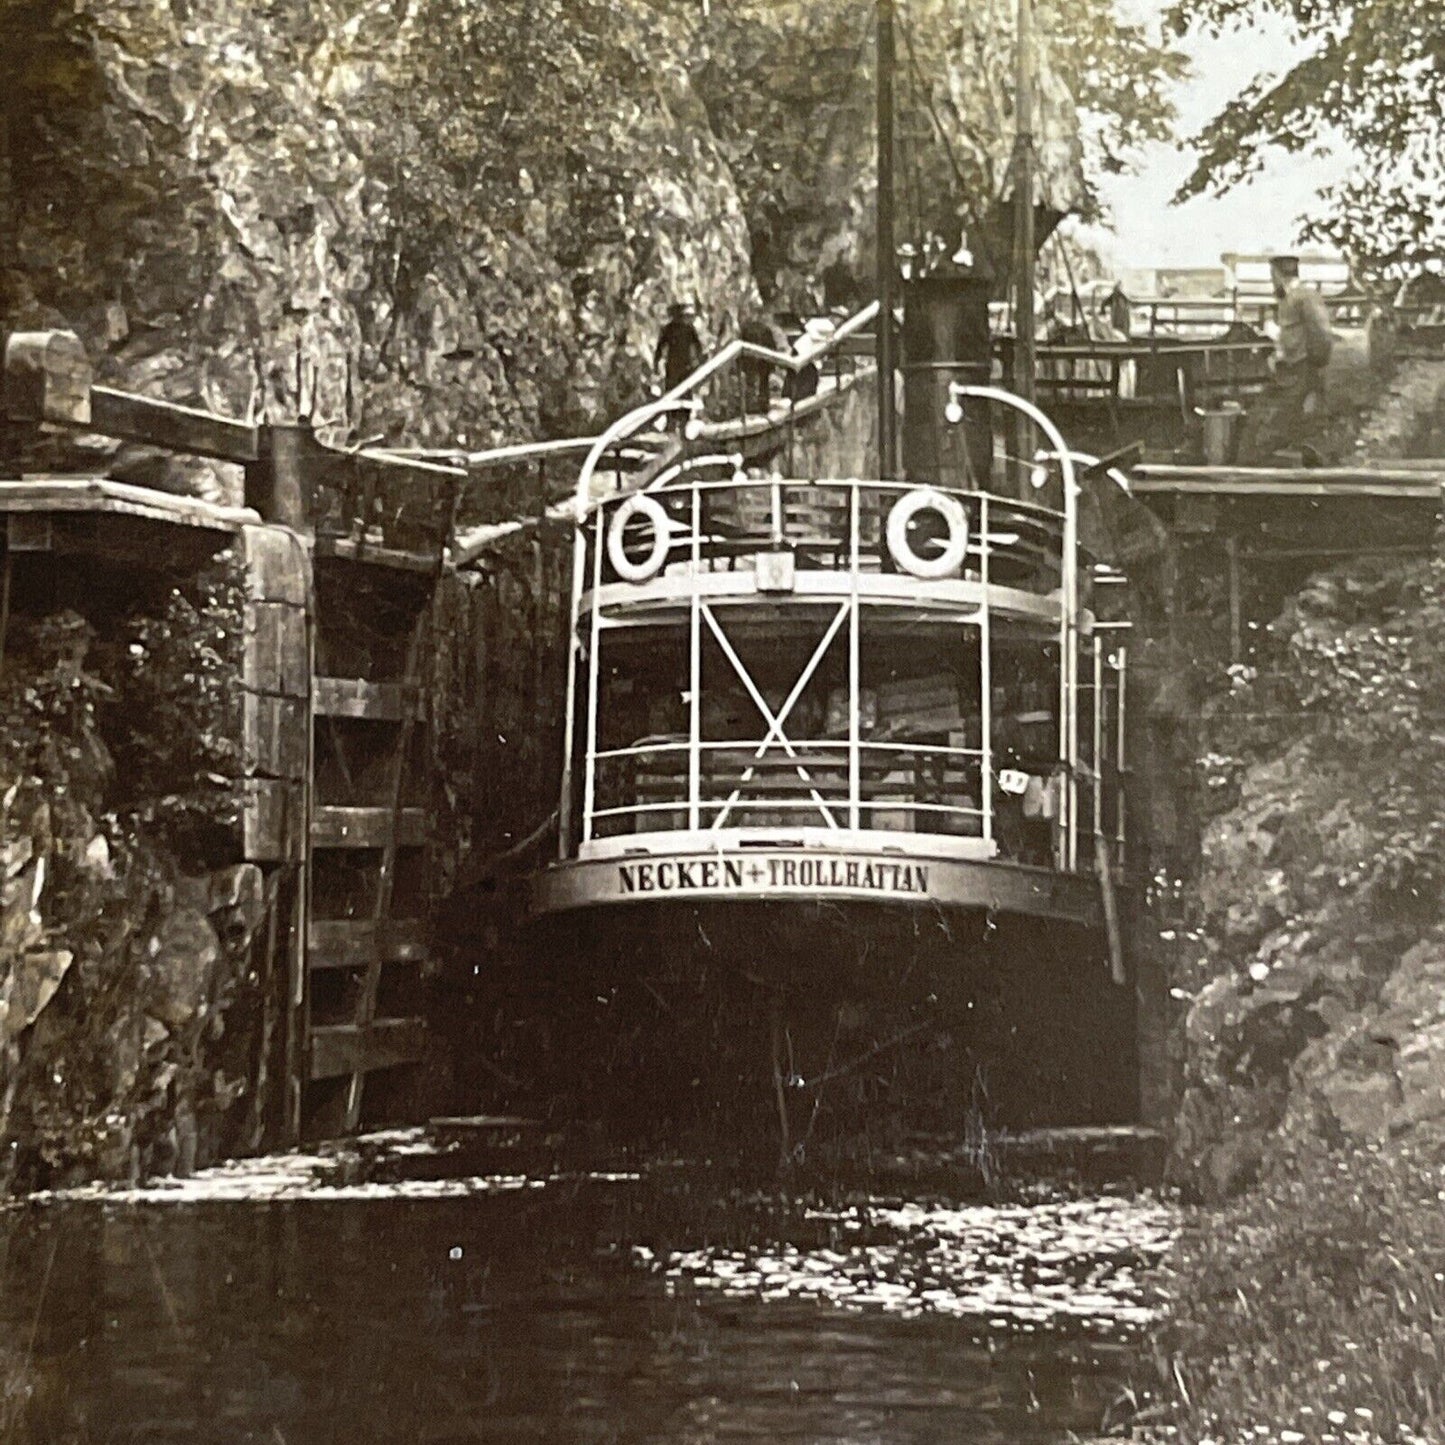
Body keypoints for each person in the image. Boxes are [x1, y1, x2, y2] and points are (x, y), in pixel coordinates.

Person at [1240, 255, 1334, 464]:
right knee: (1282, 421)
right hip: (1292, 369)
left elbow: (1321, 335)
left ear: (1277, 275)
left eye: (1272, 276)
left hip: (1301, 369)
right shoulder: (1292, 299)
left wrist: (1315, 364)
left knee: (1273, 425)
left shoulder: (1302, 298)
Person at [654, 300, 705, 395]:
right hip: (679, 365)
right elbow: (698, 346)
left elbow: (659, 349)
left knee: (678, 391)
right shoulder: (676, 329)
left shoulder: (686, 329)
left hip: (679, 365)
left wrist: (656, 363)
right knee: (679, 391)